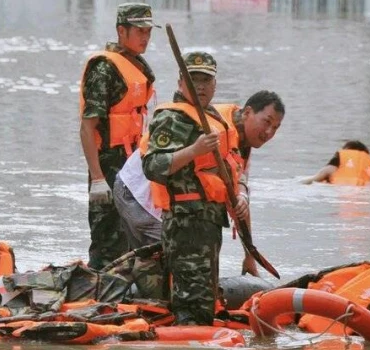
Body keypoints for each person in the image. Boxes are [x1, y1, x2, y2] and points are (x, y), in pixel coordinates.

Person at [114, 90, 285, 297]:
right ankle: (124, 299)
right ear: (248, 112)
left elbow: (238, 202)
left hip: (159, 200)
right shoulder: (214, 128)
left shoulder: (241, 143)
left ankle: (128, 292)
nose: (269, 132)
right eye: (266, 122)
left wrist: (249, 254)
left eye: (275, 127)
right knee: (178, 269)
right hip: (140, 194)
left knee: (179, 268)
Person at [142, 51, 246, 326]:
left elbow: (234, 163)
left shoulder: (214, 118)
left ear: (215, 85)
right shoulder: (171, 118)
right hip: (185, 223)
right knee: (191, 301)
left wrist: (241, 194)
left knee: (205, 299)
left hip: (209, 222)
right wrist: (194, 150)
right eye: (193, 79)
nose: (200, 86)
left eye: (205, 80)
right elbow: (152, 166)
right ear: (180, 82)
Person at [79, 2, 159, 270]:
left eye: (148, 31)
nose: (145, 37)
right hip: (109, 163)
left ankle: (129, 291)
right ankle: (99, 288)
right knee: (106, 237)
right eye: (140, 31)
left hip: (134, 163)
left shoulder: (138, 65)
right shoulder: (104, 69)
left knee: (132, 235)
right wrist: (98, 179)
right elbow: (87, 127)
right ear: (121, 31)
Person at [301, 140, 370, 186]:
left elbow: (315, 179)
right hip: (363, 191)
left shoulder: (339, 160)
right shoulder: (369, 164)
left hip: (339, 188)